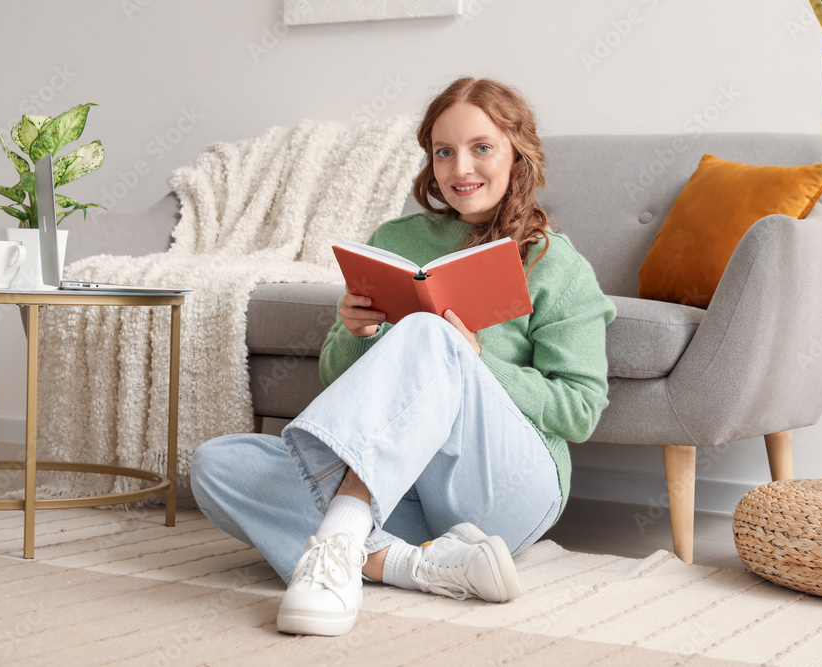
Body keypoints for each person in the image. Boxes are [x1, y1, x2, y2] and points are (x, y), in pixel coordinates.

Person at [190, 76, 615, 637]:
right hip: (403, 493)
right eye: (444, 152)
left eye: (481, 147)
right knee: (218, 464)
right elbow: (340, 380)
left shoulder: (557, 265)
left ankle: (339, 540)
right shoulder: (397, 238)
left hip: (505, 493)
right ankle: (412, 564)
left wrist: (472, 360)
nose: (460, 168)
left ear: (519, 151)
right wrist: (354, 332)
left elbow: (580, 410)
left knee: (431, 332)